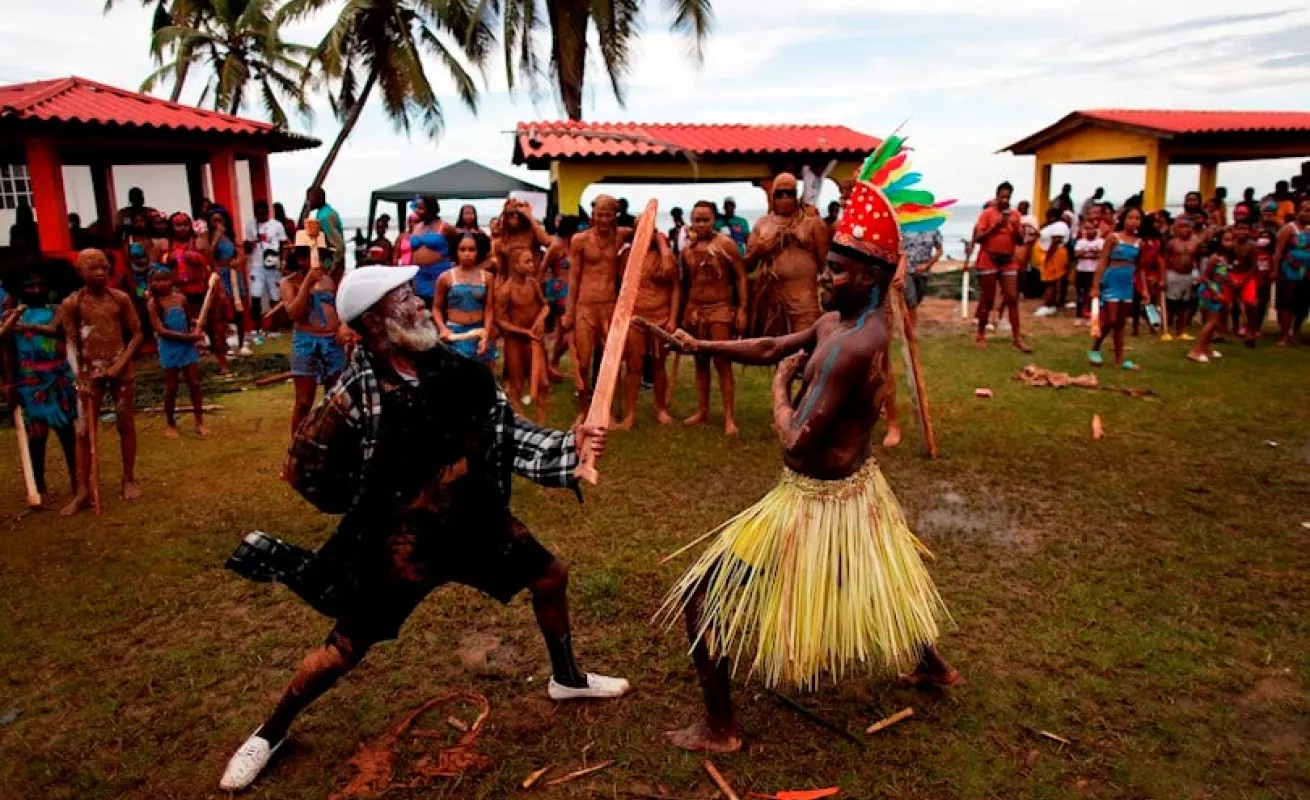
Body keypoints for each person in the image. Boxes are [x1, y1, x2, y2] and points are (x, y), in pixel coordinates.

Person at [218, 266, 629, 792]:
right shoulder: (355, 389)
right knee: (342, 649)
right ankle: (270, 733)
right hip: (400, 542)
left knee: (550, 576)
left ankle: (567, 679)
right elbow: (305, 468)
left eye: (413, 293)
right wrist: (358, 502)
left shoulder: (458, 371)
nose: (417, 303)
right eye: (404, 297)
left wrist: (570, 446)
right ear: (373, 320)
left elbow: (508, 433)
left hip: (473, 520)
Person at [645, 148, 956, 753]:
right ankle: (933, 666)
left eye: (836, 268)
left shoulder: (850, 345)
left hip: (815, 501)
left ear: (870, 275)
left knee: (699, 597)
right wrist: (699, 347)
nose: (823, 275)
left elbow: (793, 440)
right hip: (859, 493)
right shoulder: (841, 321)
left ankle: (720, 728)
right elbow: (771, 345)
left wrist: (783, 394)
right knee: (883, 577)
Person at [59, 249, 145, 513]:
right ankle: (83, 489)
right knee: (83, 430)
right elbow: (71, 343)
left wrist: (119, 364)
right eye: (92, 268)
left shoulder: (120, 299)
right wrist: (81, 376)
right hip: (89, 373)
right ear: (80, 271)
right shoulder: (71, 304)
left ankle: (128, 478)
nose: (99, 273)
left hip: (120, 369)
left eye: (104, 268)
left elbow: (137, 333)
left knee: (124, 423)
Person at [2, 262, 78, 504]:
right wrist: (8, 382)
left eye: (40, 284)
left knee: (67, 432)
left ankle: (78, 481)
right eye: (29, 286)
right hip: (29, 382)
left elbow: (62, 336)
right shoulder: (10, 316)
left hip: (59, 378)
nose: (35, 289)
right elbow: (6, 350)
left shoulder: (58, 310)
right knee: (37, 435)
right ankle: (39, 485)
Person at [679, 202, 746, 436]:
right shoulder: (687, 249)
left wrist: (742, 309)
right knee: (700, 362)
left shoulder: (725, 245)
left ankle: (729, 418)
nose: (701, 224)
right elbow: (684, 283)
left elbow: (740, 277)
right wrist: (684, 312)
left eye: (705, 220)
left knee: (722, 363)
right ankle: (702, 410)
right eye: (697, 220)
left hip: (719, 309)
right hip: (695, 310)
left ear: (714, 220)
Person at [563, 195, 631, 420]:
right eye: (599, 215)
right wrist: (569, 312)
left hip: (609, 305)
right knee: (583, 360)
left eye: (608, 215)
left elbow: (646, 228)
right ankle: (584, 409)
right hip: (585, 304)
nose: (603, 219)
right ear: (592, 215)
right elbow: (573, 278)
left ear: (615, 216)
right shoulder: (580, 240)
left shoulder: (619, 236)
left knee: (610, 360)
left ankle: (608, 408)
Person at [746, 174, 828, 337]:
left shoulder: (812, 223)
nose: (785, 198)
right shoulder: (762, 224)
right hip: (773, 302)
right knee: (778, 351)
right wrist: (759, 250)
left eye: (789, 193)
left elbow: (826, 265)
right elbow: (747, 265)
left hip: (804, 302)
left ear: (796, 195)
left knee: (804, 350)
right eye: (780, 193)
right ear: (772, 196)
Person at [283, 223, 347, 435]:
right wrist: (306, 285)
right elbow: (294, 313)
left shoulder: (330, 280)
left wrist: (343, 326)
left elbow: (342, 307)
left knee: (334, 398)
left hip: (332, 341)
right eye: (304, 255)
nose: (310, 259)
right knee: (303, 402)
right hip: (305, 341)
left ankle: (330, 443)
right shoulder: (288, 282)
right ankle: (296, 447)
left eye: (316, 254)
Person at [617, 230, 677, 430]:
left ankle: (660, 409)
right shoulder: (627, 256)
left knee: (659, 365)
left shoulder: (665, 256)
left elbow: (675, 287)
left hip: (660, 316)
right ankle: (630, 414)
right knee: (633, 366)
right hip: (635, 317)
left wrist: (673, 318)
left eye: (649, 229)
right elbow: (620, 285)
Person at [166, 212, 232, 377]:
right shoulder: (164, 245)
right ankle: (184, 369)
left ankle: (223, 365)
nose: (182, 228)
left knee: (214, 329)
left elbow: (214, 268)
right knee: (181, 331)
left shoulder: (200, 243)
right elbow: (155, 269)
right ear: (171, 228)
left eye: (185, 224)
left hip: (203, 293)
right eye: (178, 225)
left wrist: (221, 290)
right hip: (178, 296)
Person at [146, 266, 206, 438]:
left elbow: (188, 321)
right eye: (158, 280)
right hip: (169, 347)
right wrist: (190, 338)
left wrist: (198, 324)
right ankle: (170, 423)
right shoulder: (153, 304)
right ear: (152, 283)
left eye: (166, 279)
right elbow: (161, 331)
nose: (163, 283)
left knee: (194, 383)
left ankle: (199, 422)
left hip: (187, 346)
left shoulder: (180, 298)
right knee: (171, 386)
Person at [971, 182, 1028, 350]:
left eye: (1008, 197)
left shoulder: (1015, 215)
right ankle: (981, 334)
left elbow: (1019, 240)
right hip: (989, 258)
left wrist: (1017, 232)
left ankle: (1017, 338)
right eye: (1002, 196)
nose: (1005, 200)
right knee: (987, 299)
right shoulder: (987, 214)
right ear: (996, 196)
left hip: (1008, 259)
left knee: (1012, 298)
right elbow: (979, 237)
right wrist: (995, 227)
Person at [496, 250, 550, 422]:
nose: (532, 265)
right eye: (527, 262)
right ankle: (519, 421)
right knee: (516, 384)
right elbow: (500, 320)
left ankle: (541, 423)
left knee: (543, 383)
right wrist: (523, 331)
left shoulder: (533, 283)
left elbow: (545, 305)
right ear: (516, 265)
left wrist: (540, 320)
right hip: (515, 342)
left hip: (534, 340)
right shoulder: (505, 290)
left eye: (532, 261)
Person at [1090, 207, 1144, 369]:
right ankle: (1095, 348)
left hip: (1127, 282)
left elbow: (1140, 268)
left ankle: (1119, 359)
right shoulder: (1114, 238)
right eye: (1130, 218)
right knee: (1110, 320)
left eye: (1137, 218)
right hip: (1112, 280)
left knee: (1121, 322)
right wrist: (1095, 286)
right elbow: (1102, 262)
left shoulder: (1139, 243)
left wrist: (1144, 289)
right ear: (1123, 219)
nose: (1134, 221)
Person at [432, 231, 495, 364]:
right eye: (462, 249)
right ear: (456, 251)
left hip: (479, 331)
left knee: (481, 374)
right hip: (455, 333)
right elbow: (436, 308)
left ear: (479, 251)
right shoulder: (445, 277)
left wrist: (486, 335)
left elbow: (489, 309)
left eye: (472, 249)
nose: (467, 253)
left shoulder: (487, 277)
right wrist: (443, 328)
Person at [1188, 228, 1238, 363]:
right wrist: (1214, 292)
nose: (1230, 243)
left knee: (1214, 322)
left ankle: (1206, 348)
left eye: (1232, 240)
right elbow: (1204, 277)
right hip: (1210, 290)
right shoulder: (1214, 258)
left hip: (1218, 288)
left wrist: (1230, 282)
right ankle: (1196, 350)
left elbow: (1222, 274)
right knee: (1211, 322)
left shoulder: (1225, 258)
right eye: (1227, 240)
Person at [209, 207, 251, 356]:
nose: (218, 224)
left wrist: (239, 260)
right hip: (221, 275)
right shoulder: (209, 238)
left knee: (238, 308)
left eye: (220, 220)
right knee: (222, 310)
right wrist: (216, 238)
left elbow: (241, 254)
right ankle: (223, 345)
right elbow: (210, 255)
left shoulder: (231, 237)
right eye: (215, 221)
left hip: (234, 274)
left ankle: (241, 342)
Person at [244, 200, 289, 341]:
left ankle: (275, 327)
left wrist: (283, 261)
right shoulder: (251, 225)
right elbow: (247, 247)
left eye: (263, 212)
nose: (260, 215)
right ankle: (256, 327)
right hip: (257, 264)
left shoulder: (276, 225)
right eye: (258, 212)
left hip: (272, 263)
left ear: (267, 211)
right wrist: (250, 244)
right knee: (255, 295)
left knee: (274, 296)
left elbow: (283, 244)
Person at [407, 195, 457, 305]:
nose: (417, 211)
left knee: (439, 305)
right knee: (421, 306)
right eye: (417, 208)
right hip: (419, 274)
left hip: (438, 272)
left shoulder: (444, 226)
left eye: (421, 208)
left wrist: (455, 262)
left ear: (431, 209)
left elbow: (461, 241)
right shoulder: (416, 226)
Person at [1272, 199, 1310, 344]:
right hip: (1290, 271)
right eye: (1305, 210)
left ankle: (1297, 331)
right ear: (1298, 211)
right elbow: (1278, 251)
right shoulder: (1289, 228)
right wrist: (1275, 270)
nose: (1308, 213)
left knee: (1303, 303)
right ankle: (1285, 334)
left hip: (1307, 273)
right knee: (1287, 303)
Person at [491, 198, 551, 281]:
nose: (515, 215)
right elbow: (501, 273)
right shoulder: (501, 241)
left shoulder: (532, 234)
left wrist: (529, 216)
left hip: (534, 282)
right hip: (512, 285)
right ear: (506, 216)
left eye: (518, 214)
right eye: (512, 214)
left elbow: (547, 242)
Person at [1162, 216, 1201, 341]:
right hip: (1173, 274)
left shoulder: (1196, 242)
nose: (1185, 229)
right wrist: (1163, 277)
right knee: (1171, 303)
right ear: (1177, 229)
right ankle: (1166, 329)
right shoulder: (1172, 242)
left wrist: (1197, 275)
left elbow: (1198, 260)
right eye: (1182, 226)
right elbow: (1164, 260)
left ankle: (1181, 330)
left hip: (1188, 275)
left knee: (1184, 304)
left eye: (1188, 226)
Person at [902, 228, 943, 327]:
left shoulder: (933, 229)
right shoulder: (905, 228)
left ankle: (907, 325)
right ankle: (911, 334)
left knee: (918, 298)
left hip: (923, 271)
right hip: (906, 270)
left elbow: (939, 251)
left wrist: (927, 265)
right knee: (911, 301)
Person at [1033, 208, 1069, 317]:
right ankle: (1050, 304)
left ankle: (1048, 305)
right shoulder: (1052, 226)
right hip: (1050, 254)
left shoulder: (1060, 226)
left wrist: (1048, 256)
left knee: (1051, 281)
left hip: (1054, 255)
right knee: (1049, 281)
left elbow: (1056, 241)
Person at [1252, 201, 1281, 333]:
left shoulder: (1279, 227)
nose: (1267, 216)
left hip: (1268, 265)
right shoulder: (1255, 227)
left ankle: (1257, 326)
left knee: (1263, 297)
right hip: (1255, 264)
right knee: (1252, 296)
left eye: (1270, 214)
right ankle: (1248, 324)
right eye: (1265, 213)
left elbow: (1278, 249)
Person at [306, 187, 345, 282]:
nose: (308, 202)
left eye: (309, 198)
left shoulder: (324, 217)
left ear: (318, 198)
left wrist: (333, 268)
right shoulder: (328, 212)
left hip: (331, 265)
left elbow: (337, 245)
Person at [1072, 219, 1104, 324]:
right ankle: (1079, 315)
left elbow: (1101, 255)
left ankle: (1092, 316)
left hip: (1095, 271)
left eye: (1091, 228)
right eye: (1086, 229)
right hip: (1082, 270)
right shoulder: (1080, 242)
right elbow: (1077, 254)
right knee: (1081, 294)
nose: (1088, 231)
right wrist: (1092, 253)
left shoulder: (1101, 242)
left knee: (1093, 294)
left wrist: (1086, 253)